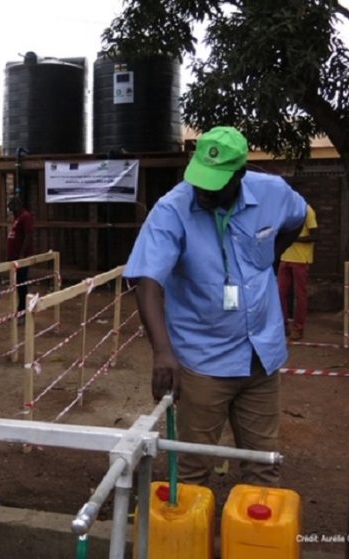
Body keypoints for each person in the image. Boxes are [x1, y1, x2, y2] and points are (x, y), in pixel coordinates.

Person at [124, 126, 307, 486]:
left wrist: (272, 257)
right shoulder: (172, 209)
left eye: (216, 183)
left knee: (263, 465)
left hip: (261, 358)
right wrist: (163, 353)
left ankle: (254, 540)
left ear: (241, 174)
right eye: (200, 180)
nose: (204, 192)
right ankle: (189, 540)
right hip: (203, 362)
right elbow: (147, 281)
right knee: (192, 470)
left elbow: (298, 217)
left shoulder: (272, 193)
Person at [277, 204, 318, 341]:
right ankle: (283, 325)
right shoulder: (284, 210)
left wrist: (293, 239)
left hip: (301, 259)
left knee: (300, 295)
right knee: (280, 293)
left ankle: (298, 329)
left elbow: (314, 236)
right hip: (284, 257)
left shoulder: (307, 211)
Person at [6, 196, 34, 316]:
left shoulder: (25, 217)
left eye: (11, 207)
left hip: (20, 258)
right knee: (17, 283)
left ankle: (22, 308)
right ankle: (20, 307)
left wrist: (22, 254)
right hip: (14, 257)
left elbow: (28, 235)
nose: (10, 210)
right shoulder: (17, 218)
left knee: (21, 283)